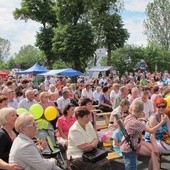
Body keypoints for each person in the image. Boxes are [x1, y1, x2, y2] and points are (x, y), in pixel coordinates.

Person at [120, 100, 167, 170]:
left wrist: (140, 119)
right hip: (129, 148)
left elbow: (130, 125)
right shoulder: (136, 123)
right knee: (131, 167)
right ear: (141, 111)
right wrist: (162, 122)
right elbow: (152, 131)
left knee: (130, 165)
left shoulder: (128, 117)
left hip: (125, 146)